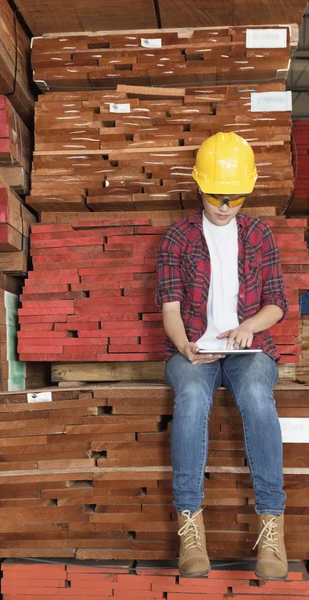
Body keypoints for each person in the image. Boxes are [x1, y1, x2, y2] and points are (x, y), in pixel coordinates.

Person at [156, 132, 289, 581]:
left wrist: (247, 328)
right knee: (191, 400)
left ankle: (272, 527)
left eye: (235, 197)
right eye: (216, 196)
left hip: (248, 348)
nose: (225, 205)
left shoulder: (258, 234)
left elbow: (277, 304)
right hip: (192, 348)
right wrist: (184, 347)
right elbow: (170, 309)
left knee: (255, 394)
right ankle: (189, 524)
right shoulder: (178, 236)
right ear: (200, 187)